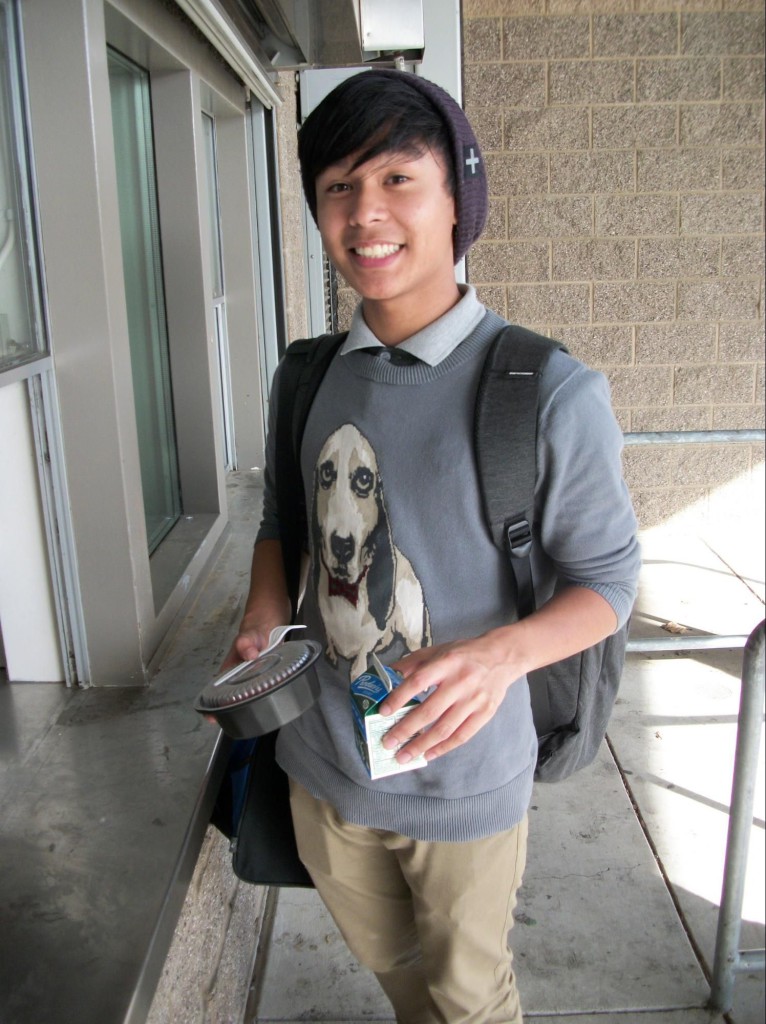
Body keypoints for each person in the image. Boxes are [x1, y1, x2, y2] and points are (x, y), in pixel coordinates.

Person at [223, 69, 640, 1024]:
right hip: (320, 764)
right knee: (400, 975)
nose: (364, 211)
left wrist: (500, 656)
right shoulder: (308, 374)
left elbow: (609, 580)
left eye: (397, 179)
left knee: (467, 996)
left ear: (459, 197)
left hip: (464, 780)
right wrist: (259, 613)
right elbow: (283, 517)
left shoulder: (546, 389)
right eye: (337, 186)